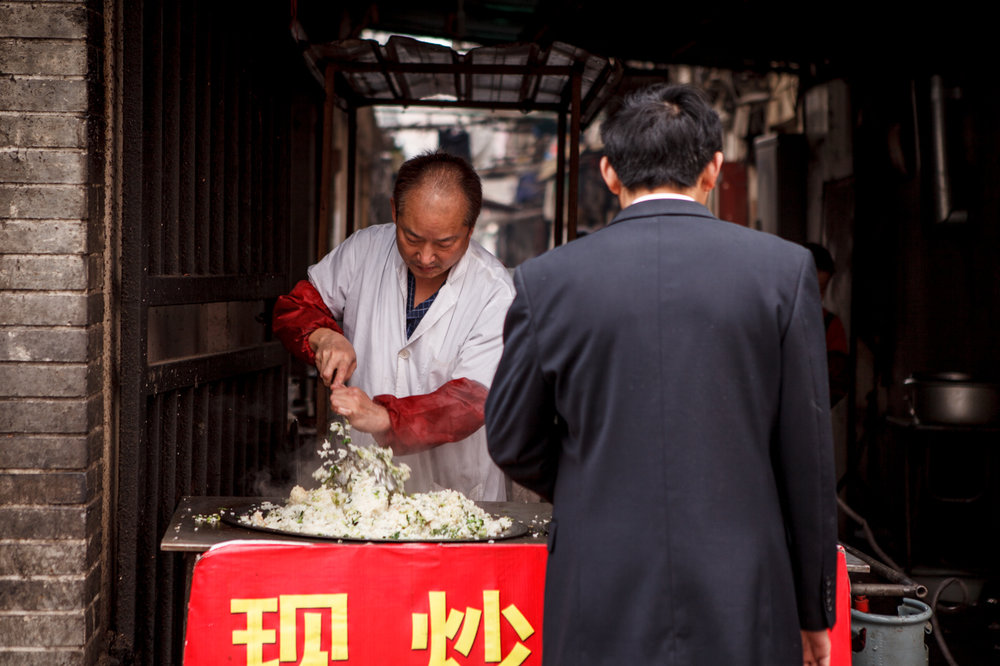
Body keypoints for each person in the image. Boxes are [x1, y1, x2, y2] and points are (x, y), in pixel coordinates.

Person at [484, 84, 838, 665]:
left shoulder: (548, 281)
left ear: (608, 172)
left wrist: (594, 475)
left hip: (600, 583)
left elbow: (513, 439)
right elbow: (809, 459)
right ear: (714, 169)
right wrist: (812, 611)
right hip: (744, 590)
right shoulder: (782, 272)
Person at [274, 151, 515, 500]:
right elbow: (298, 306)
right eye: (412, 237)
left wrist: (386, 418)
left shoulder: (495, 291)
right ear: (394, 212)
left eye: (445, 243)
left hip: (456, 493)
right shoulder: (364, 251)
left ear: (470, 228)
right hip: (363, 486)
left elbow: (472, 401)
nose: (426, 256)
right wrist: (324, 336)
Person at [804, 242, 849, 407]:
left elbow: (838, 383)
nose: (816, 297)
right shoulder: (775, 318)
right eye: (809, 288)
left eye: (821, 290)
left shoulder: (830, 326)